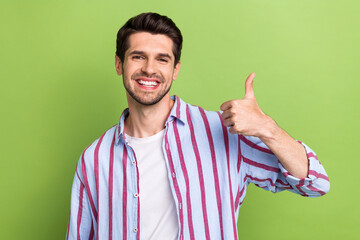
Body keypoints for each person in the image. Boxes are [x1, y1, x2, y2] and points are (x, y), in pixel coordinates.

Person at [66, 12, 330, 240]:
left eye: (162, 59)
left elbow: (315, 182)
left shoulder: (224, 133)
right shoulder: (94, 158)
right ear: (118, 64)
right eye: (138, 57)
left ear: (175, 70)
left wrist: (267, 128)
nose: (149, 69)